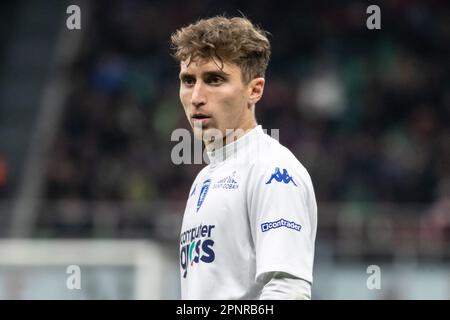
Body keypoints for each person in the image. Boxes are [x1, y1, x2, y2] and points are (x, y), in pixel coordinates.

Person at [171, 15, 317, 300]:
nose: (197, 96)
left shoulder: (273, 170)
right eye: (189, 80)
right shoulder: (205, 178)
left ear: (255, 90)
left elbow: (288, 290)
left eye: (214, 79)